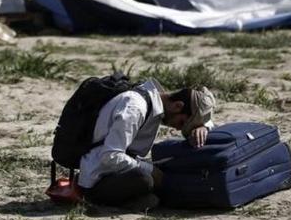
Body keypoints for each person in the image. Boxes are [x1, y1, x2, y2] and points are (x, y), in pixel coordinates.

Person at [77, 79, 215, 210]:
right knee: (144, 179)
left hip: (118, 170)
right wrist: (150, 169)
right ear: (177, 106)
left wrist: (203, 127)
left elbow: (203, 118)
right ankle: (107, 202)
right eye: (182, 123)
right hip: (96, 179)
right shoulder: (135, 108)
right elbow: (110, 156)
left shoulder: (157, 102)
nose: (179, 129)